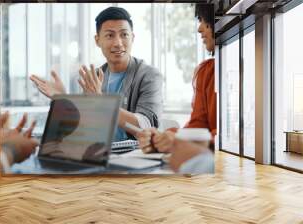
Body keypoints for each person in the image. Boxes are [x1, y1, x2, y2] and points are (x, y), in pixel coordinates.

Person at [30, 7, 163, 142]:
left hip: (134, 157)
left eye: (124, 35)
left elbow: (145, 126)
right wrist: (63, 100)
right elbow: (83, 126)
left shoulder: (149, 75)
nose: (118, 43)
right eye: (110, 35)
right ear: (97, 40)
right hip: (98, 153)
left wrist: (102, 102)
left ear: (132, 37)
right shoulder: (95, 77)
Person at [136, 3, 215, 173]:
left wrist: (178, 141)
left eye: (203, 20)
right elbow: (197, 126)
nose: (199, 29)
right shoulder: (206, 71)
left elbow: (240, 141)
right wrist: (160, 138)